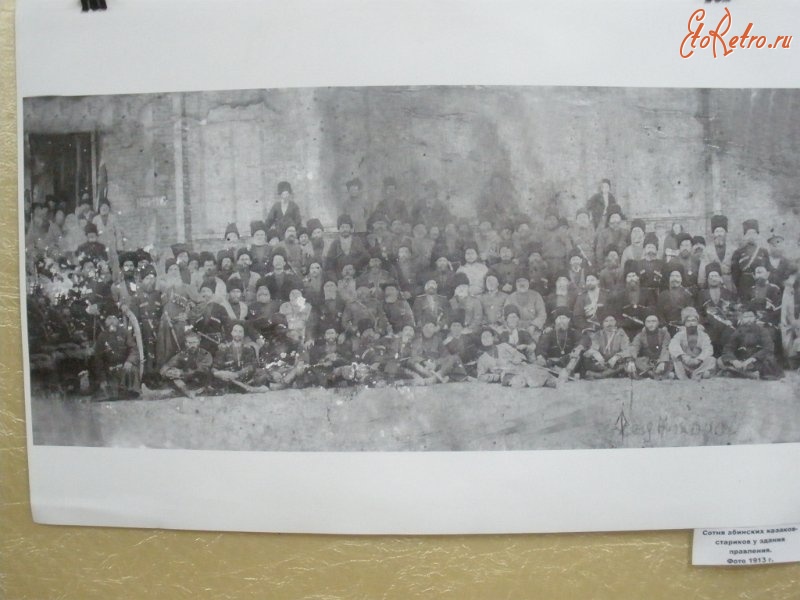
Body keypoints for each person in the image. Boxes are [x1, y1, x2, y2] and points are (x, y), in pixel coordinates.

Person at [476, 327, 556, 388]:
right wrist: (495, 377)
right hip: (506, 376)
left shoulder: (504, 346)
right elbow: (480, 377)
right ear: (481, 340)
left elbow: (518, 354)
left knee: (542, 375)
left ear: (493, 338)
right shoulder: (482, 359)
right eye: (483, 337)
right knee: (519, 381)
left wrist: (517, 358)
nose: (486, 339)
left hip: (518, 367)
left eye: (488, 336)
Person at [718, 307, 782, 380]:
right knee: (720, 360)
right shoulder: (738, 331)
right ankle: (749, 374)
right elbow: (728, 348)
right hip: (742, 359)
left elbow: (768, 348)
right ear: (741, 319)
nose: (749, 320)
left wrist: (752, 359)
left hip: (757, 360)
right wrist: (734, 361)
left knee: (769, 361)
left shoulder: (762, 330)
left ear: (755, 318)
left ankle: (737, 372)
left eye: (751, 316)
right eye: (746, 317)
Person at [94, 312, 140, 399]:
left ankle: (132, 391)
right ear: (106, 323)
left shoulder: (125, 333)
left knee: (132, 369)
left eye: (114, 319)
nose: (112, 322)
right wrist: (102, 378)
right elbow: (98, 359)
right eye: (109, 319)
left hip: (124, 366)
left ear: (118, 322)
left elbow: (133, 349)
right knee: (111, 394)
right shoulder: (102, 336)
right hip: (110, 369)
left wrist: (129, 361)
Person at [535, 306, 589, 381]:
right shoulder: (549, 333)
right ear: (555, 321)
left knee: (578, 354)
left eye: (564, 318)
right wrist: (540, 356)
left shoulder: (573, 332)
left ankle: (567, 372)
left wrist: (579, 348)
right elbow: (541, 346)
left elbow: (584, 339)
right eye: (559, 318)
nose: (561, 321)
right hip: (554, 363)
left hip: (570, 362)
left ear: (568, 320)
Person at [696, 263, 738, 356]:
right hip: (709, 326)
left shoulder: (728, 293)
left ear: (720, 278)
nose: (713, 278)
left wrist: (731, 321)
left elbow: (734, 311)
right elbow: (699, 312)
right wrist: (704, 322)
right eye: (710, 276)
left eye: (715, 276)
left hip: (726, 326)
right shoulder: (702, 294)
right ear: (707, 280)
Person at [159, 330, 213, 397]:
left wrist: (181, 373)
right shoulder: (182, 354)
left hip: (200, 381)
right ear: (185, 343)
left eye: (194, 342)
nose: (192, 345)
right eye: (189, 343)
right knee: (174, 377)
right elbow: (166, 366)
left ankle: (194, 392)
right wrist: (168, 373)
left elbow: (200, 370)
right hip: (187, 381)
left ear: (198, 342)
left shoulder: (205, 354)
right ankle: (188, 392)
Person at [668, 307, 715, 381]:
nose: (691, 323)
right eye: (688, 321)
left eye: (693, 320)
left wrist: (699, 359)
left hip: (698, 364)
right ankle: (683, 376)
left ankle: (696, 374)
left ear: (697, 322)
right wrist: (683, 357)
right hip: (685, 363)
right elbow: (673, 345)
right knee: (674, 358)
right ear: (685, 323)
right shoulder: (680, 335)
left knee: (711, 360)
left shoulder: (703, 335)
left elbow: (708, 349)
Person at [210, 322, 258, 393]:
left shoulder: (248, 349)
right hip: (227, 378)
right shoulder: (224, 349)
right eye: (235, 331)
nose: (238, 334)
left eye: (240, 331)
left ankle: (240, 386)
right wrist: (220, 374)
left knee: (260, 375)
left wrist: (237, 374)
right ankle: (241, 387)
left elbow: (251, 366)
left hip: (243, 377)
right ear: (231, 333)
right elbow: (214, 367)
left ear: (243, 334)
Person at [583, 312, 631, 379]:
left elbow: (626, 349)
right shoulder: (598, 334)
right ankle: (611, 373)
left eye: (611, 320)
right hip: (602, 362)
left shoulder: (621, 334)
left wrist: (616, 357)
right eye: (606, 321)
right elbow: (593, 348)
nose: (609, 323)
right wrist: (597, 355)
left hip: (615, 362)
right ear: (602, 323)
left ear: (615, 322)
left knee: (626, 363)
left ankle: (601, 375)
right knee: (587, 359)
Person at [626, 312, 672, 380]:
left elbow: (666, 347)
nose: (651, 324)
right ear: (645, 323)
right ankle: (653, 374)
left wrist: (662, 361)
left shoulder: (664, 333)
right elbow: (634, 347)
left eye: (653, 321)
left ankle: (651, 374)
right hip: (647, 362)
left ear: (658, 323)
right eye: (648, 322)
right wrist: (631, 361)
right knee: (633, 362)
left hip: (661, 360)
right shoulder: (640, 335)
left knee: (672, 361)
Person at [731, 219, 770, 296]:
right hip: (744, 284)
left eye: (754, 233)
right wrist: (740, 285)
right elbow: (735, 273)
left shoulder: (763, 251)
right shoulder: (738, 252)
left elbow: (768, 269)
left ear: (757, 235)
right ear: (745, 236)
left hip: (760, 284)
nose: (751, 236)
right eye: (749, 233)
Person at [699, 214, 735, 291]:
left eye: (721, 231)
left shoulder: (733, 249)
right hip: (713, 284)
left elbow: (736, 269)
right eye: (717, 231)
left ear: (725, 233)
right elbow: (703, 269)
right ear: (713, 234)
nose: (719, 234)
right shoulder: (707, 250)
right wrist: (701, 284)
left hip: (730, 284)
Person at [657, 267, 695, 333]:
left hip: (683, 327)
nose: (674, 279)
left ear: (681, 279)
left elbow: (690, 312)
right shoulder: (663, 295)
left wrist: (685, 325)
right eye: (672, 276)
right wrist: (664, 326)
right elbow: (659, 313)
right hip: (667, 327)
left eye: (677, 276)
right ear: (669, 279)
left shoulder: (687, 295)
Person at [780, 275, 800, 369]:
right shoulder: (788, 290)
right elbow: (784, 307)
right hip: (790, 318)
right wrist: (785, 320)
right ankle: (790, 362)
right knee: (786, 337)